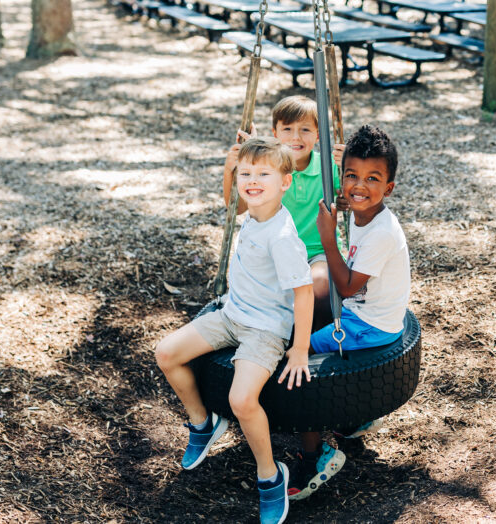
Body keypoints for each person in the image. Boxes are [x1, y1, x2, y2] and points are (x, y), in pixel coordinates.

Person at [156, 137, 314, 524]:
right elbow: (235, 198)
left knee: (242, 400)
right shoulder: (253, 212)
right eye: (246, 174)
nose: (252, 180)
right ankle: (202, 423)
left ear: (285, 183)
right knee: (166, 353)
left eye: (264, 174)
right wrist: (231, 166)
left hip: (265, 329)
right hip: (232, 315)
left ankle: (270, 475)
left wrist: (300, 349)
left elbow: (305, 292)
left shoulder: (282, 238)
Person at [285, 124, 411, 501]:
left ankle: (316, 455)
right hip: (369, 316)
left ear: (388, 188)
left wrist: (327, 237)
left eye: (373, 179)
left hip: (367, 326)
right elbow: (355, 201)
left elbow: (347, 287)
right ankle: (352, 416)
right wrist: (345, 204)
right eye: (352, 175)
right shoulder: (364, 212)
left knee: (296, 358)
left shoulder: (382, 232)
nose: (359, 186)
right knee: (312, 315)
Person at [223, 95, 344, 331]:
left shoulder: (329, 166)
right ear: (275, 133)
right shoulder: (267, 170)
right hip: (276, 252)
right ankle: (275, 333)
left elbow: (353, 199)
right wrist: (231, 170)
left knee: (316, 283)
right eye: (287, 129)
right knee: (268, 287)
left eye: (305, 129)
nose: (296, 137)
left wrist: (349, 163)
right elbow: (236, 208)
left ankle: (311, 341)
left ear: (318, 135)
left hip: (317, 252)